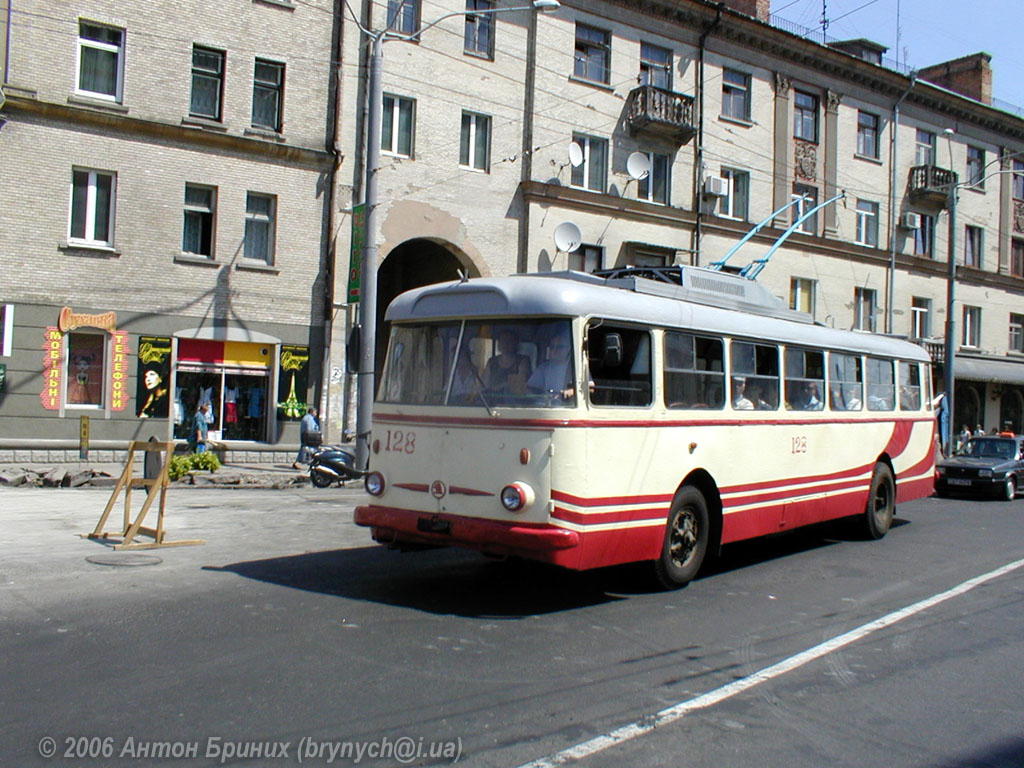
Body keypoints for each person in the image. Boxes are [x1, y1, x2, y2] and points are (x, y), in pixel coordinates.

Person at [528, 334, 574, 400]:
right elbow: (530, 388)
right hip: (544, 406)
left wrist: (568, 393)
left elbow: (589, 388)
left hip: (567, 406)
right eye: (552, 347)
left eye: (559, 347)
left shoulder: (575, 367)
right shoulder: (543, 368)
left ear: (568, 349)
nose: (554, 350)